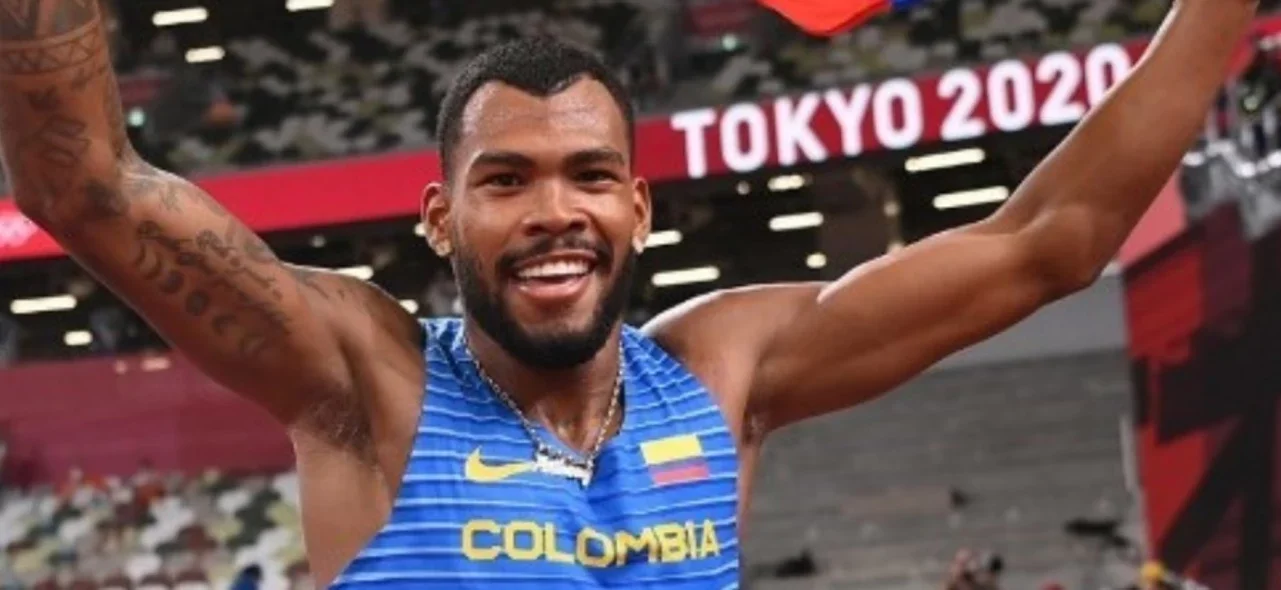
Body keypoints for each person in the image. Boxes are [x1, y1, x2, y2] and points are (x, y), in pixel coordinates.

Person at [0, 0, 1254, 587]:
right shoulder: (363, 379)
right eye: (508, 180)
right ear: (440, 216)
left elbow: (1053, 239)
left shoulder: (722, 374)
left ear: (639, 209)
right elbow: (89, 185)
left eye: (593, 175)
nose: (557, 210)